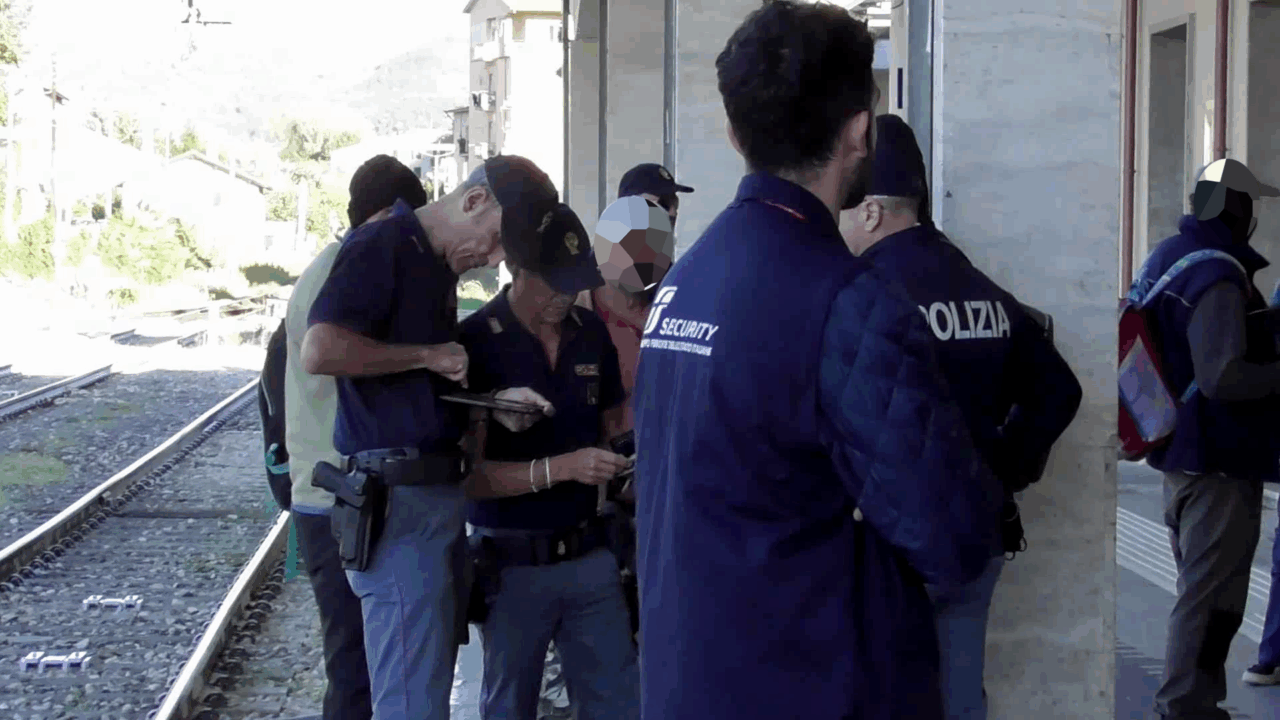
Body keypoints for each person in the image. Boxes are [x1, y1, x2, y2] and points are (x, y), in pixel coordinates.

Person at [630, 3, 1005, 720]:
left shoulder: (686, 280)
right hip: (809, 682)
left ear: (737, 133)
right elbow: (951, 536)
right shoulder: (843, 299)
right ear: (861, 131)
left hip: (691, 682)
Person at [841, 115, 1083, 720]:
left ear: (870, 211)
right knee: (959, 694)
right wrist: (1000, 469)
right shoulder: (976, 283)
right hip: (977, 534)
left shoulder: (867, 292)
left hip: (895, 545)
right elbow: (1059, 390)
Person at [301, 155, 560, 720]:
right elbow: (320, 349)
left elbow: (415, 391)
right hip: (398, 506)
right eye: (494, 242)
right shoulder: (385, 244)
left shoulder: (436, 266)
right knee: (411, 704)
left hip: (433, 499)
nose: (492, 259)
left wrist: (493, 407)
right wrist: (427, 354)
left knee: (427, 694)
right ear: (472, 201)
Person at [460, 202, 639, 720]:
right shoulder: (476, 342)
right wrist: (561, 469)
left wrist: (627, 462)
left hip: (592, 560)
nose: (566, 293)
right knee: (508, 707)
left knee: (620, 705)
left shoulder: (590, 332)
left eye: (574, 280)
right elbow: (467, 478)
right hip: (513, 569)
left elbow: (610, 430)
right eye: (553, 281)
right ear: (515, 268)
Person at [1132, 157, 1280, 720]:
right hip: (1217, 462)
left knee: (1209, 595)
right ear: (1232, 208)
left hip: (1181, 456)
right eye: (1249, 204)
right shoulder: (1216, 274)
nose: (1254, 217)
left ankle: (1197, 700)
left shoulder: (1169, 258)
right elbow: (1222, 376)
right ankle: (1183, 706)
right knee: (1207, 599)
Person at [284, 154, 429, 720]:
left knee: (360, 667)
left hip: (330, 497)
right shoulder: (349, 273)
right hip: (341, 503)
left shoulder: (328, 267)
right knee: (358, 674)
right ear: (384, 217)